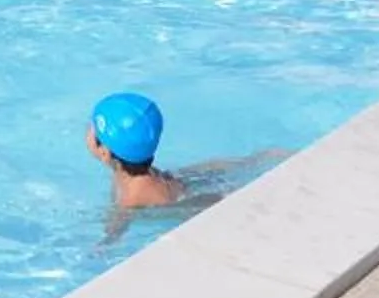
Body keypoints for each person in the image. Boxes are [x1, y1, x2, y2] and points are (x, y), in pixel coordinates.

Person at [86, 92, 276, 240]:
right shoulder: (141, 171)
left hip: (191, 205)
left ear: (104, 152)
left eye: (91, 129)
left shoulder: (130, 200)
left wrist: (104, 244)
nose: (87, 130)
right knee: (238, 166)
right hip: (180, 186)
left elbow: (115, 230)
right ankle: (262, 158)